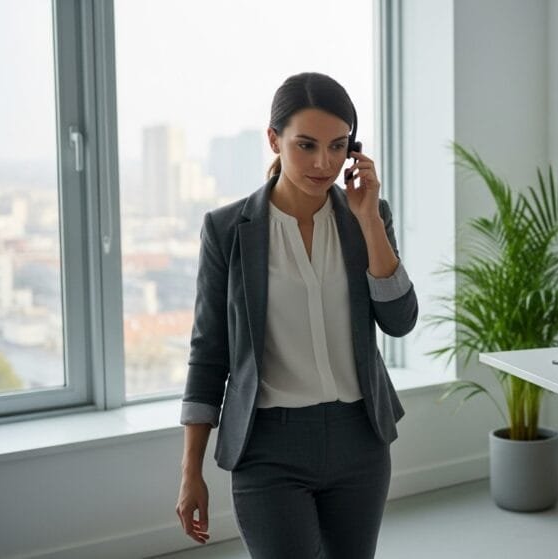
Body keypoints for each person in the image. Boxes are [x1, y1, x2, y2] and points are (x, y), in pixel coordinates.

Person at [175, 72, 418, 558]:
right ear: (274, 139)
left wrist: (368, 219)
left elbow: (399, 320)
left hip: (360, 442)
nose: (323, 162)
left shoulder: (367, 217)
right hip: (268, 449)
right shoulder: (227, 230)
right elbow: (209, 354)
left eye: (337, 146)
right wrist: (190, 472)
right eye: (305, 145)